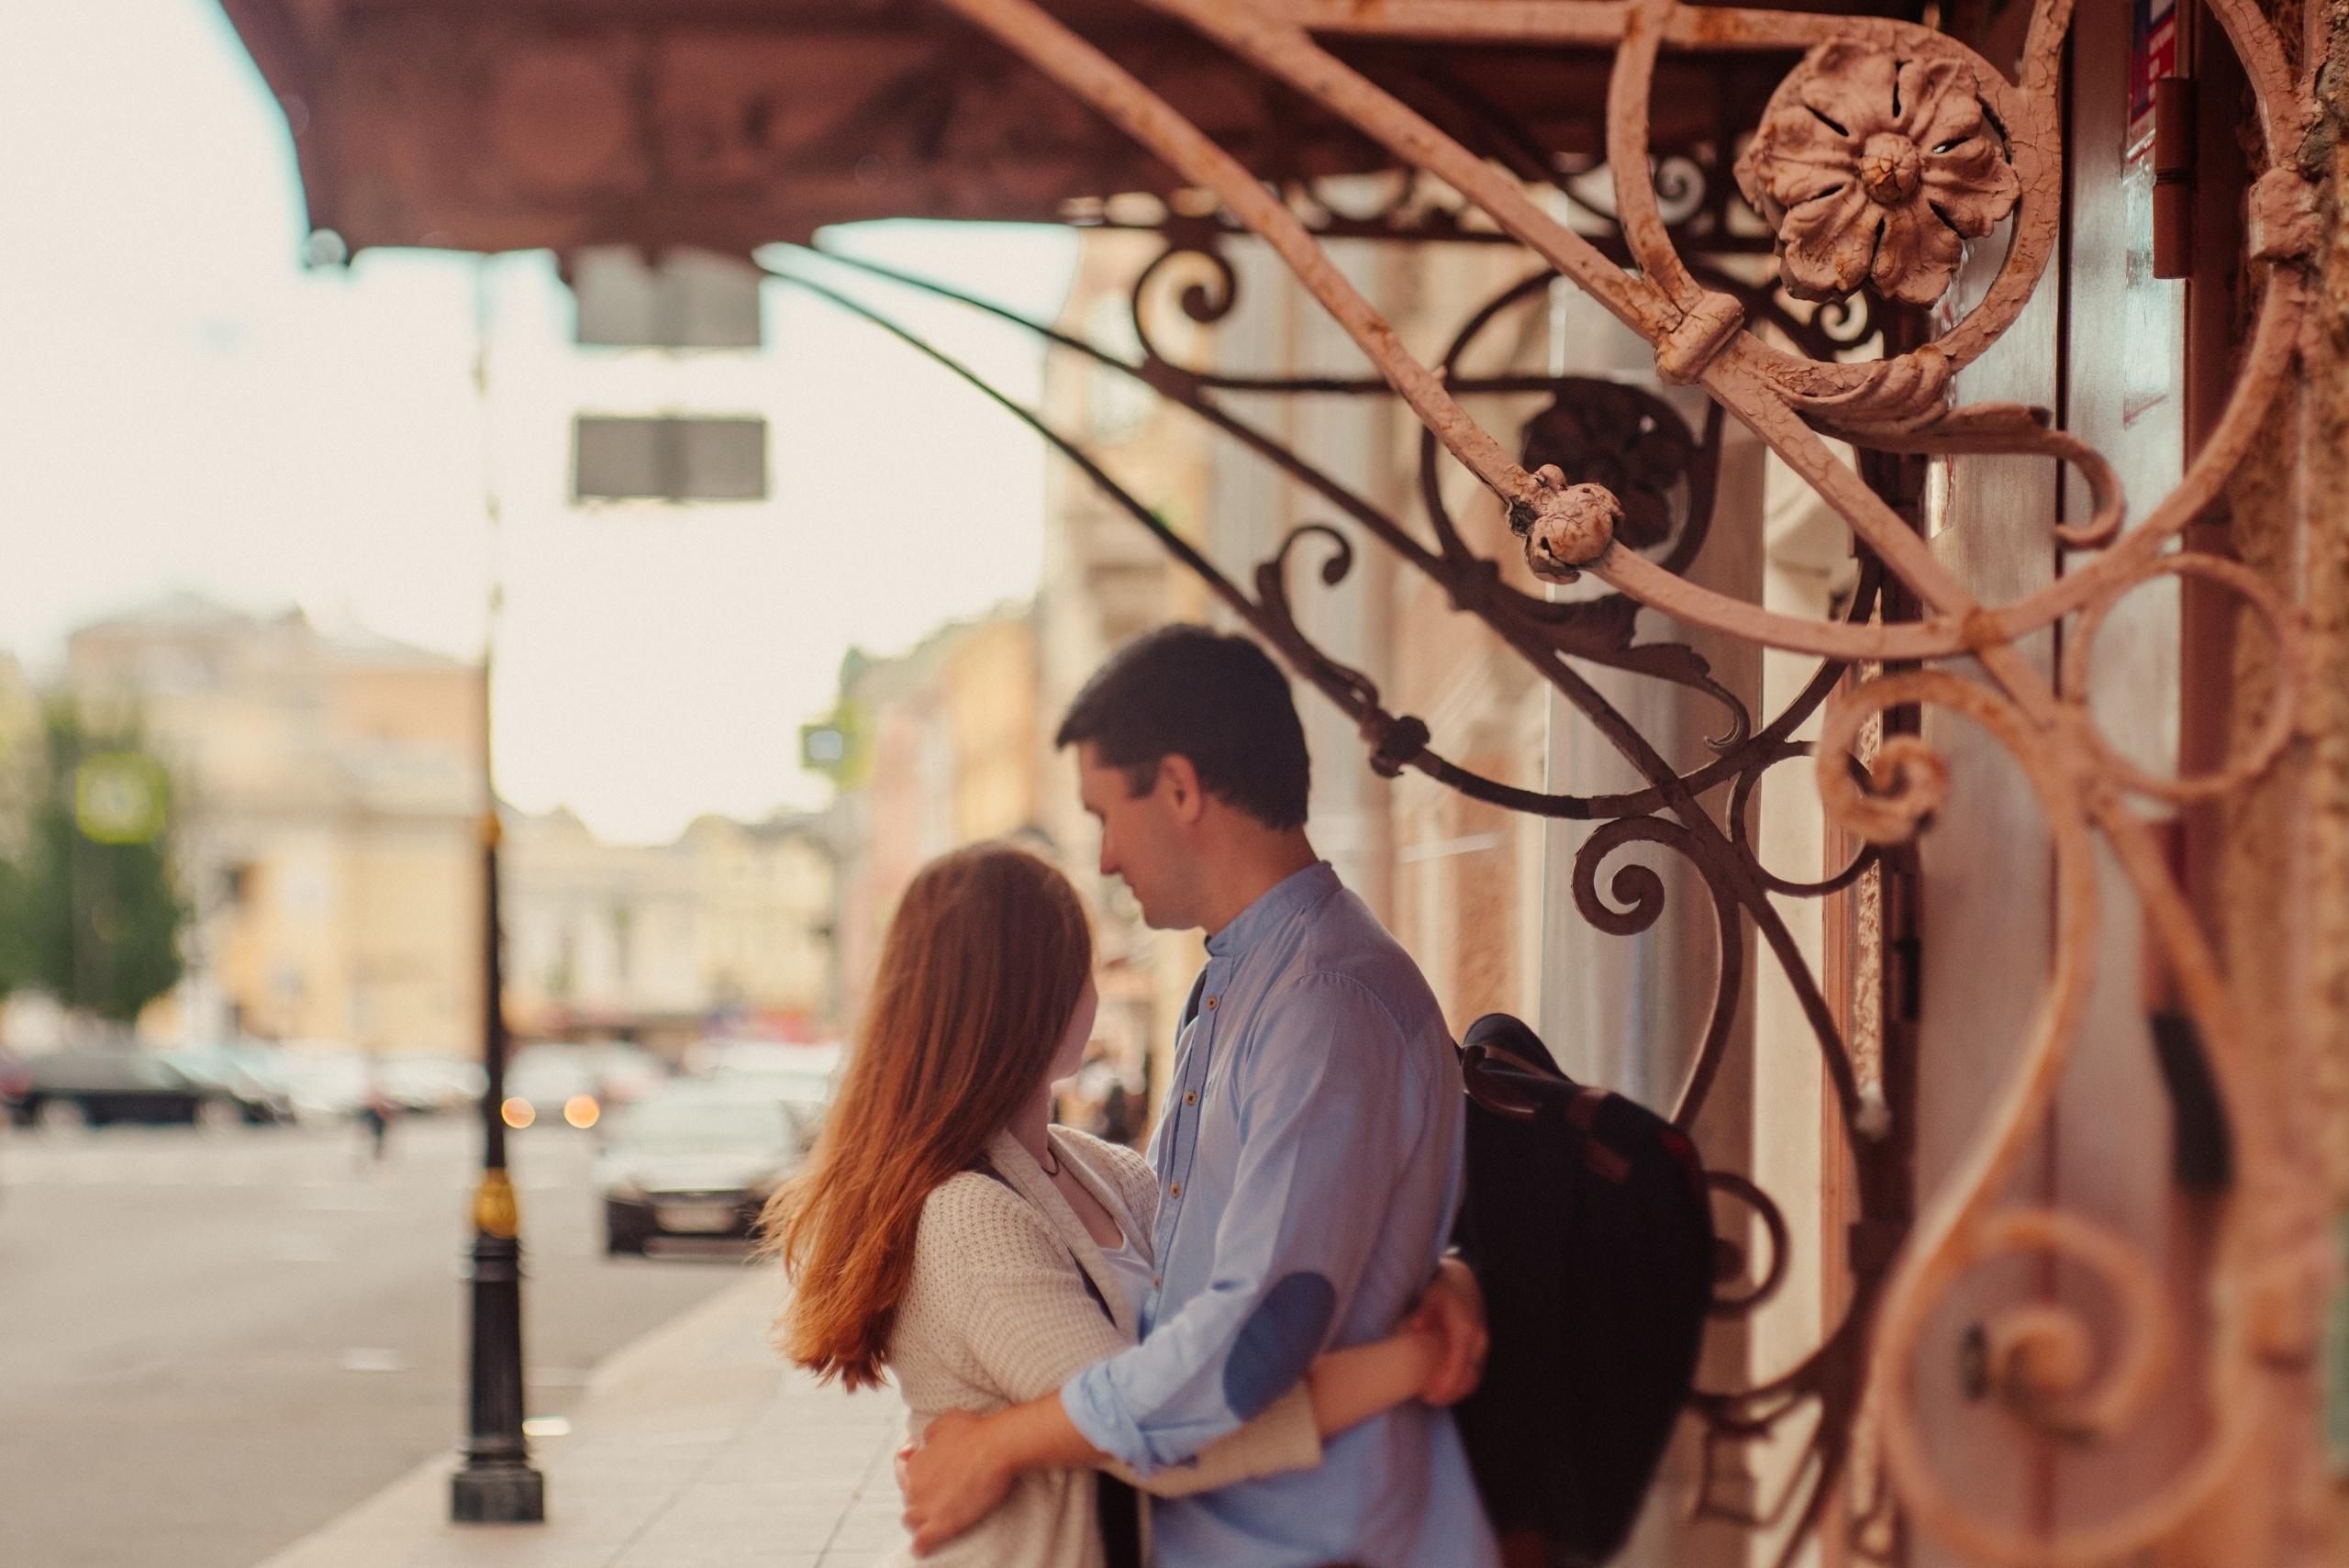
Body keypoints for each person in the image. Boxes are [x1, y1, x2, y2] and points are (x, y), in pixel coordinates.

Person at [899, 627, 1499, 1568]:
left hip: (1312, 1539)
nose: (1101, 857)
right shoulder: (1241, 984)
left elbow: (1248, 1341)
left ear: (1179, 787)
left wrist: (1000, 1441)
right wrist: (1447, 1274)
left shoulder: (1320, 1004)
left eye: (1105, 812)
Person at [765, 842, 1465, 1568]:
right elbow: (1159, 1430)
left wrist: (1437, 1274)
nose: (1093, 992)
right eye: (1083, 968)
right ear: (1030, 995)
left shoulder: (1106, 1170)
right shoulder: (967, 1216)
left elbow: (1249, 1291)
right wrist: (1414, 1360)